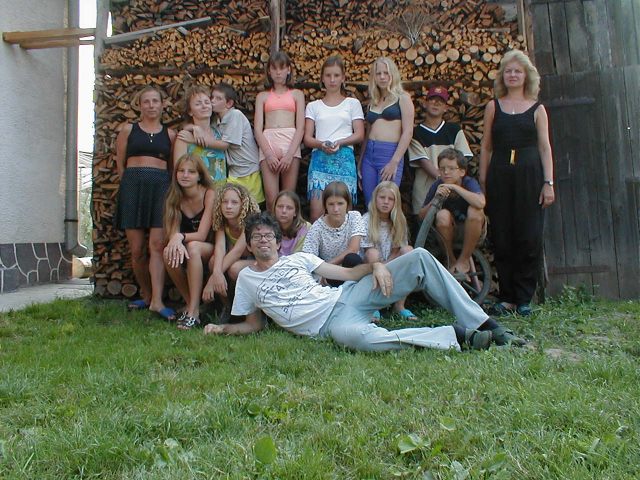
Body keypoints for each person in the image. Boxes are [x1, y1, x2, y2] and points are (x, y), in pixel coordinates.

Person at [203, 212, 526, 352]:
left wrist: (377, 266)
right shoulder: (247, 279)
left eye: (268, 236)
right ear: (249, 244)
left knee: (419, 258)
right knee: (361, 340)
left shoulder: (299, 259)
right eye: (256, 237)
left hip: (347, 296)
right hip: (331, 325)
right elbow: (253, 324)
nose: (262, 240)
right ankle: (456, 336)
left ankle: (484, 323)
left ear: (278, 241)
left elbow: (346, 274)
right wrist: (222, 328)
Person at [479, 50, 554, 317]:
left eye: (517, 71)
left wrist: (548, 182)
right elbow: (486, 147)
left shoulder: (537, 109)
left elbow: (544, 148)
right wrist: (483, 179)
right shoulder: (493, 107)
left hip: (530, 176)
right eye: (508, 71)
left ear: (526, 76)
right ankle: (507, 297)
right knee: (503, 235)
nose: (512, 75)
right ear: (503, 76)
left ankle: (523, 298)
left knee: (529, 236)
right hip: (500, 175)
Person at [114, 85, 177, 321]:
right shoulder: (128, 130)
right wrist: (128, 185)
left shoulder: (170, 135)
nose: (151, 105)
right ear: (139, 105)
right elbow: (120, 163)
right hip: (132, 188)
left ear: (162, 105)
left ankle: (158, 301)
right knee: (137, 250)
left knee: (157, 245)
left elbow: (172, 167)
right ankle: (147, 295)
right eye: (146, 101)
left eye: (155, 101)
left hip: (160, 188)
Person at [304, 55, 365, 221]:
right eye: (328, 75)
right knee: (317, 214)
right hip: (320, 160)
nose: (332, 80)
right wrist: (321, 144)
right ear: (322, 78)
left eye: (336, 75)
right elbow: (307, 138)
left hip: (344, 160)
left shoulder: (352, 104)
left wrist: (340, 142)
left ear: (343, 78)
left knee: (344, 215)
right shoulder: (313, 106)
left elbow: (359, 134)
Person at [162, 153, 216, 330]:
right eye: (181, 171)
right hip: (189, 246)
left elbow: (202, 235)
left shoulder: (209, 194)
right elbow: (172, 234)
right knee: (168, 253)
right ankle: (193, 304)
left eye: (191, 172)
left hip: (211, 247)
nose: (185, 175)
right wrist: (175, 239)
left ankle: (192, 312)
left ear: (199, 176)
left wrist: (180, 237)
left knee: (193, 248)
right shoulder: (174, 197)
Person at [189, 83, 265, 205]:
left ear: (229, 104)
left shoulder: (235, 115)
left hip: (249, 171)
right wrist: (194, 128)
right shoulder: (217, 121)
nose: (212, 101)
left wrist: (197, 141)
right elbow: (189, 125)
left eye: (218, 98)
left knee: (251, 207)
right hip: (234, 173)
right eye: (212, 97)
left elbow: (224, 145)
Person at [419, 148, 486, 279]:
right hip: (446, 233)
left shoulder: (469, 182)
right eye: (442, 169)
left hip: (472, 231)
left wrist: (454, 187)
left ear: (462, 172)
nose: (446, 172)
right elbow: (421, 216)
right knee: (442, 215)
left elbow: (481, 202)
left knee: (475, 211)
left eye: (451, 168)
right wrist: (435, 198)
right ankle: (451, 260)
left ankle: (464, 260)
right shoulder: (438, 185)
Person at [407, 85, 472, 216]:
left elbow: (463, 159)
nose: (436, 103)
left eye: (441, 101)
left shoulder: (454, 130)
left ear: (446, 108)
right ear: (425, 104)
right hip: (425, 191)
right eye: (432, 99)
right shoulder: (415, 133)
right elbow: (423, 161)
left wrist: (451, 184)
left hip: (452, 191)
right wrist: (445, 180)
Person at [254, 51, 306, 211]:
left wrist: (290, 155)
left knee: (288, 197)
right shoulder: (262, 96)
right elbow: (258, 129)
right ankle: (271, 228)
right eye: (274, 68)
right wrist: (268, 154)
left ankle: (289, 227)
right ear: (269, 71)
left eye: (282, 68)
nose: (278, 72)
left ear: (288, 70)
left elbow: (301, 127)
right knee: (271, 199)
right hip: (269, 142)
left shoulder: (297, 94)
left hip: (290, 143)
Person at [359, 57, 414, 206]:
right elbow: (367, 134)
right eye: (378, 73)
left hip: (389, 154)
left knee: (386, 202)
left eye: (386, 73)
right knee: (370, 203)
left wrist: (394, 162)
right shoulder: (374, 101)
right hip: (369, 155)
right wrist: (361, 161)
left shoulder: (403, 98)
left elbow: (408, 132)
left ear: (393, 74)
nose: (382, 77)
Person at [202, 183, 260, 314]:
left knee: (233, 268)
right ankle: (227, 307)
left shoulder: (249, 222)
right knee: (213, 262)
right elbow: (220, 247)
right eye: (225, 202)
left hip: (255, 261)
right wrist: (216, 272)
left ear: (243, 205)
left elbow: (236, 252)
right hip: (237, 259)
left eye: (234, 202)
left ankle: (246, 309)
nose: (228, 206)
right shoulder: (223, 221)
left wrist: (212, 280)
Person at [361, 181, 415, 321]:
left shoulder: (399, 221)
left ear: (396, 202)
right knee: (373, 253)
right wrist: (381, 266)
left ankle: (399, 305)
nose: (386, 202)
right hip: (370, 265)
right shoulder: (366, 220)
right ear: (375, 198)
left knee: (409, 251)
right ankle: (374, 305)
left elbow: (397, 250)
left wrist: (387, 265)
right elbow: (368, 251)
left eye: (390, 199)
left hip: (390, 261)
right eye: (382, 197)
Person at [302, 181, 365, 284]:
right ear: (325, 206)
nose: (336, 209)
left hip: (350, 268)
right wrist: (325, 271)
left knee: (352, 258)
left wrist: (327, 266)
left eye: (340, 203)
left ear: (347, 204)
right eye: (331, 204)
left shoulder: (354, 217)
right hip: (330, 276)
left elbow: (353, 249)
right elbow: (308, 258)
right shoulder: (317, 227)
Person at [173, 85, 226, 184]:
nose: (204, 106)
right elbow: (178, 170)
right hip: (197, 190)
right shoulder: (184, 137)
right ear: (190, 111)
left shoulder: (219, 132)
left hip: (221, 190)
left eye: (207, 102)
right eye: (198, 104)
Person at [273, 190, 311, 256]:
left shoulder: (305, 228)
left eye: (289, 208)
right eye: (280, 206)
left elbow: (302, 257)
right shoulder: (268, 227)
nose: (284, 211)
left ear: (295, 212)